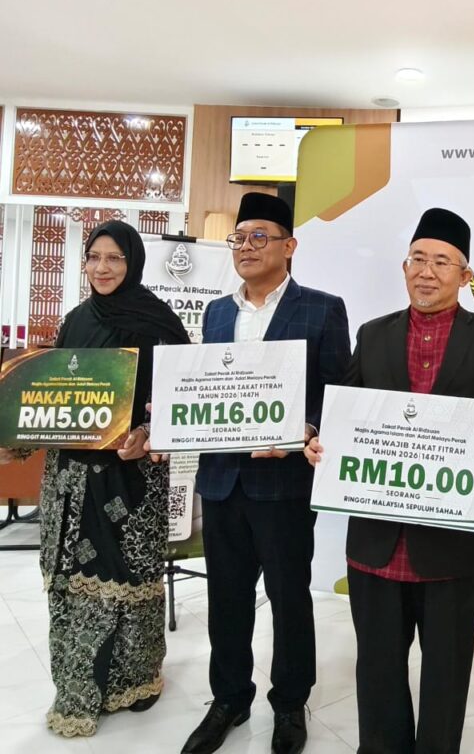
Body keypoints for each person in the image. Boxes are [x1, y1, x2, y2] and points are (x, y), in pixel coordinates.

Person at [305, 207, 474, 753]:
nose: (426, 272)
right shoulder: (373, 335)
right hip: (376, 543)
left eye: (441, 262)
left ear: (465, 274)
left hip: (453, 546)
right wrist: (320, 439)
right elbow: (344, 412)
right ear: (404, 266)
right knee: (377, 668)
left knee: (446, 674)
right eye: (417, 259)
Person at [0, 220, 190, 737]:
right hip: (70, 481)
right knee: (72, 585)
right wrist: (17, 437)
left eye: (114, 258)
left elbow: (181, 402)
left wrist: (148, 433)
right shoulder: (75, 322)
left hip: (131, 480)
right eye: (94, 257)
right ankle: (78, 693)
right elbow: (54, 398)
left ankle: (136, 680)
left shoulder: (159, 323)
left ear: (134, 262)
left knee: (131, 581)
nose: (102, 268)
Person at [181, 193, 350, 754]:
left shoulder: (322, 309)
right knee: (226, 599)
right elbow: (207, 390)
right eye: (239, 238)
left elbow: (338, 393)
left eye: (260, 237)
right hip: (221, 482)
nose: (246, 247)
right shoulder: (217, 312)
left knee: (289, 597)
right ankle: (229, 699)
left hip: (283, 486)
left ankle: (290, 702)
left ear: (289, 246)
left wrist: (305, 428)